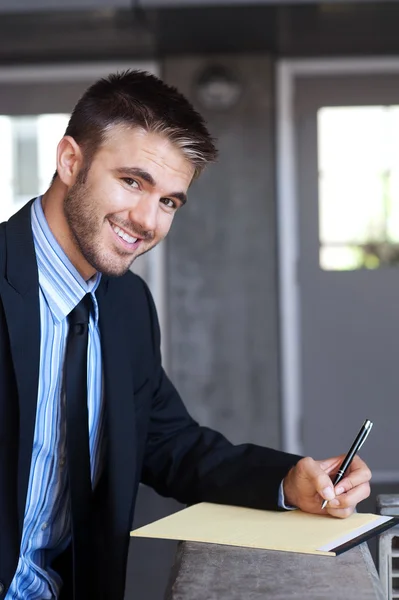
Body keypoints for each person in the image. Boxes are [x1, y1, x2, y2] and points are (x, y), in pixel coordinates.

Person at [0, 70, 371, 600]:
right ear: (69, 160)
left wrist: (291, 481)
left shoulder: (127, 304)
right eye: (132, 181)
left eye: (170, 201)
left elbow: (170, 444)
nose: (147, 220)